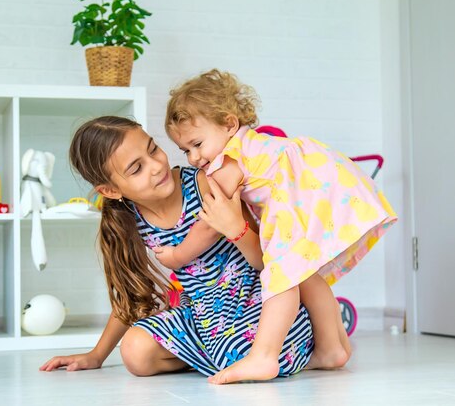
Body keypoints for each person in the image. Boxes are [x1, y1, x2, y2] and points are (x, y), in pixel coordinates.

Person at [153, 69, 398, 383]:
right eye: (185, 150)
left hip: (298, 195)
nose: (193, 157)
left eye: (197, 144)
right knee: (304, 274)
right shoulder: (249, 143)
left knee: (279, 274)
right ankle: (333, 347)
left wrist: (178, 256)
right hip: (312, 188)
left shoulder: (229, 159)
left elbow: (212, 222)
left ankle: (264, 356)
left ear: (228, 123)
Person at [41, 116, 325, 382]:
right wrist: (96, 355)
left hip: (255, 300)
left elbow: (271, 263)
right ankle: (213, 356)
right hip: (202, 315)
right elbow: (129, 297)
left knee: (241, 351)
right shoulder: (130, 220)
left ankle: (250, 355)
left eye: (153, 149)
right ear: (111, 191)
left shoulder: (208, 184)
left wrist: (235, 229)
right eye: (137, 168)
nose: (155, 165)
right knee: (135, 353)